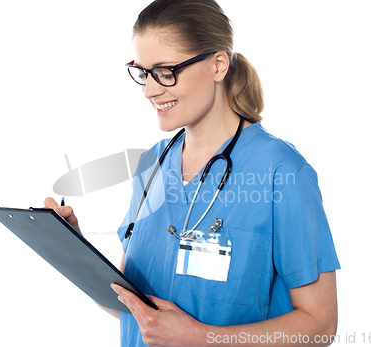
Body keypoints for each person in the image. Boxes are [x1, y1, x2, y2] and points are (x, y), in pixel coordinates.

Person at [45, 0, 340, 346]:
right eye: (142, 72)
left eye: (166, 71)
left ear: (218, 65)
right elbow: (133, 308)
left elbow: (320, 325)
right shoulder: (152, 167)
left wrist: (203, 338)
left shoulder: (281, 172)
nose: (150, 90)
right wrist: (73, 250)